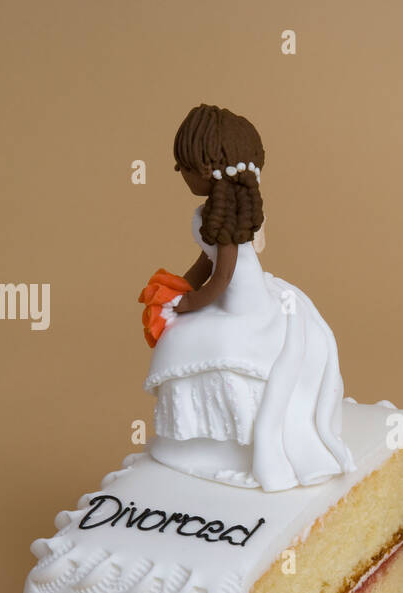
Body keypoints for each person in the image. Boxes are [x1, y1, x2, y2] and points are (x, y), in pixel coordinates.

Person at [139, 104, 354, 492]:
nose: (181, 174)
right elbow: (204, 264)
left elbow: (221, 279)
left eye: (182, 167)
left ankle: (213, 441)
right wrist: (179, 287)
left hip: (241, 305)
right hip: (232, 296)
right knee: (181, 333)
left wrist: (188, 305)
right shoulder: (217, 212)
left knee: (181, 342)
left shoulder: (224, 222)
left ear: (204, 169)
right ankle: (205, 443)